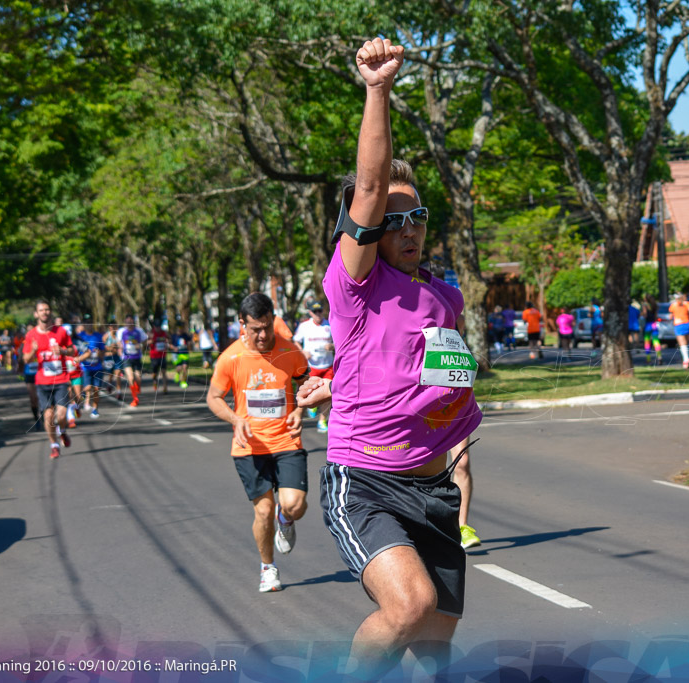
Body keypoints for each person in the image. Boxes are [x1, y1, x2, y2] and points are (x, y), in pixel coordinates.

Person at [307, 36, 483, 680]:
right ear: (367, 228)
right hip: (367, 484)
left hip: (434, 487)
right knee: (410, 607)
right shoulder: (354, 285)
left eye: (418, 217)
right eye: (392, 218)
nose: (407, 228)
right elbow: (374, 181)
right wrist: (377, 90)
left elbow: (425, 374)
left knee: (434, 650)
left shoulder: (444, 295)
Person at [206, 292, 309, 593]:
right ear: (242, 324)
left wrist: (300, 410)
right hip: (249, 447)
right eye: (255, 329)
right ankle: (268, 568)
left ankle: (286, 520)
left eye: (267, 326)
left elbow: (306, 383)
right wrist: (235, 420)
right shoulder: (231, 358)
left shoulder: (290, 352)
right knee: (262, 511)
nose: (263, 335)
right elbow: (214, 398)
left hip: (286, 440)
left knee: (295, 506)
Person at [22, 300, 73, 459]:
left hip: (61, 380)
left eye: (47, 309)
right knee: (49, 416)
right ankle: (54, 445)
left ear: (50, 312)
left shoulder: (61, 332)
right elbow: (26, 359)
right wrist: (34, 351)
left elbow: (72, 350)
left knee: (62, 415)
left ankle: (62, 431)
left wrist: (62, 351)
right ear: (36, 314)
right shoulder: (31, 335)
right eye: (41, 310)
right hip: (43, 382)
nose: (45, 312)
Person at [292, 301, 334, 433]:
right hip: (312, 365)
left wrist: (331, 346)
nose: (318, 314)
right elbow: (296, 341)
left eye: (320, 311)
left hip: (328, 364)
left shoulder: (329, 324)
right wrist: (302, 352)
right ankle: (313, 407)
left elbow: (339, 342)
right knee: (311, 390)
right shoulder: (305, 326)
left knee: (329, 394)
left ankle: (322, 421)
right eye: (315, 312)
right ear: (310, 313)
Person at [118, 315, 147, 407]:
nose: (129, 324)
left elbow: (145, 341)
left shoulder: (139, 331)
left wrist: (141, 346)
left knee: (138, 378)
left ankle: (137, 387)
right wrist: (120, 347)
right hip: (127, 358)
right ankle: (135, 399)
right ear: (125, 322)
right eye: (127, 322)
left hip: (137, 357)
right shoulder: (122, 331)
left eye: (131, 322)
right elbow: (118, 342)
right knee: (130, 378)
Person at [77, 323, 105, 419]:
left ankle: (95, 409)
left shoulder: (98, 336)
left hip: (97, 367)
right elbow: (75, 350)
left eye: (90, 324)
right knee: (88, 387)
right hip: (85, 367)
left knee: (96, 389)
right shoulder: (80, 336)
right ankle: (83, 395)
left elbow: (103, 352)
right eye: (86, 324)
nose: (89, 326)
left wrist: (99, 353)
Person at [669, 292, 689, 369]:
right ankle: (686, 358)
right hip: (687, 323)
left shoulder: (673, 305)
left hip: (678, 324)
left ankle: (686, 359)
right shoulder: (687, 303)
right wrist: (688, 317)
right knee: (686, 342)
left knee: (682, 344)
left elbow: (670, 316)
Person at [102, 323, 124, 399]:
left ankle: (119, 392)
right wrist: (110, 348)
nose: (114, 328)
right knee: (110, 374)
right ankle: (109, 384)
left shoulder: (118, 336)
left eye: (115, 326)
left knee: (118, 374)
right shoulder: (106, 336)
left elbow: (120, 345)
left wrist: (117, 347)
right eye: (112, 326)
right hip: (108, 357)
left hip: (116, 357)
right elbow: (102, 346)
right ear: (109, 327)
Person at [149, 321, 171, 395]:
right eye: (156, 326)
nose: (158, 328)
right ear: (154, 327)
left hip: (162, 355)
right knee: (154, 373)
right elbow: (146, 342)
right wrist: (151, 341)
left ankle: (165, 388)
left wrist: (168, 342)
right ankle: (154, 379)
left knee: (164, 372)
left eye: (159, 326)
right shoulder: (151, 333)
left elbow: (169, 339)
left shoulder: (164, 333)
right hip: (154, 356)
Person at [642, 294, 662, 365]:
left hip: (648, 325)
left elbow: (645, 315)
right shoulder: (655, 305)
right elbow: (656, 317)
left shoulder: (645, 305)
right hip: (654, 324)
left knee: (647, 342)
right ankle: (659, 357)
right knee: (656, 341)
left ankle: (648, 359)